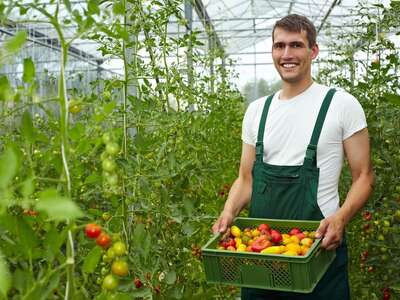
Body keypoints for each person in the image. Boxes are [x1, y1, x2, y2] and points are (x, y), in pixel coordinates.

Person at [212, 14, 374, 299]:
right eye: (279, 46)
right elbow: (245, 178)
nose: (286, 54)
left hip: (318, 254)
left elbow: (364, 176)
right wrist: (228, 211)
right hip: (260, 256)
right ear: (273, 51)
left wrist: (340, 219)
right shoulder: (257, 111)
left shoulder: (340, 104)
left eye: (296, 45)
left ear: (313, 51)